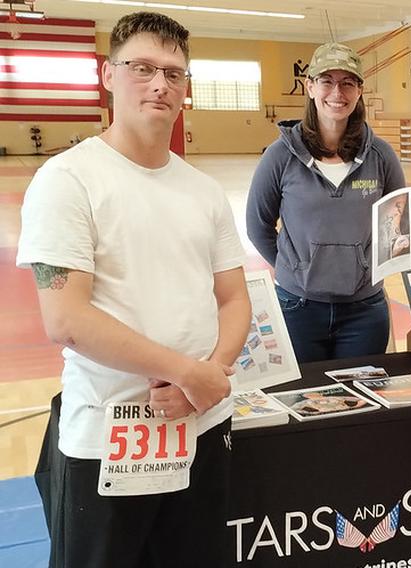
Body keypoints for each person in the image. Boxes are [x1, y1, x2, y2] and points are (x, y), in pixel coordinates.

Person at [16, 12, 251, 568]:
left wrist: (208, 375)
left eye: (174, 73)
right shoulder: (67, 180)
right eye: (142, 68)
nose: (160, 84)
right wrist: (189, 372)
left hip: (199, 424)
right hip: (108, 438)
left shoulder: (203, 191)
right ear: (107, 75)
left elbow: (235, 298)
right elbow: (66, 320)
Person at [246, 42, 406, 363]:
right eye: (327, 81)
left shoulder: (381, 156)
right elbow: (257, 225)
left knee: (362, 409)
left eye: (348, 82)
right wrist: (294, 269)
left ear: (360, 90)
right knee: (301, 402)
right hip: (297, 308)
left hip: (364, 310)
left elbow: (399, 220)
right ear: (310, 86)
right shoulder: (280, 156)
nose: (337, 92)